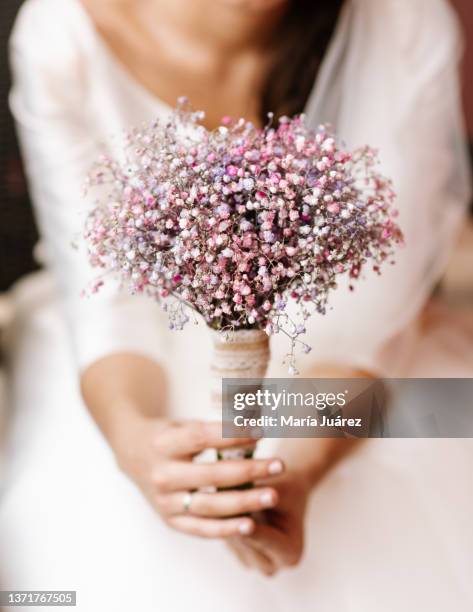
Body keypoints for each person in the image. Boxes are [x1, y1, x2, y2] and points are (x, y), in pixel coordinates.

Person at [1, 0, 472, 610]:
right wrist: (134, 442)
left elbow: (374, 328)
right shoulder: (61, 32)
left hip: (355, 381)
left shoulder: (405, 21)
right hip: (132, 366)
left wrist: (293, 474)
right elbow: (109, 310)